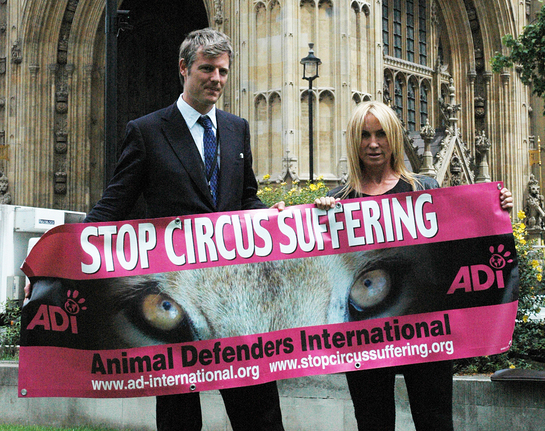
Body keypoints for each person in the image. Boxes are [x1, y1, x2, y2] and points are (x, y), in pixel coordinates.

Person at [83, 28, 285, 431]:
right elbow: (114, 205)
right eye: (207, 69)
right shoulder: (147, 131)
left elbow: (244, 197)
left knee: (260, 412)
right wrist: (63, 256)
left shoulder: (235, 128)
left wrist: (268, 214)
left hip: (235, 298)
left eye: (223, 71)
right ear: (184, 68)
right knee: (178, 417)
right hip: (175, 299)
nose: (217, 79)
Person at [315, 100, 513, 431]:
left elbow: (457, 244)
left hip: (426, 328)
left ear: (394, 137)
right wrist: (317, 215)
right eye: (364, 135)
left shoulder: (425, 189)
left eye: (381, 134)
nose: (373, 143)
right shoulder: (339, 200)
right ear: (354, 141)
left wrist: (496, 208)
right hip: (366, 333)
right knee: (372, 422)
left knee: (435, 420)